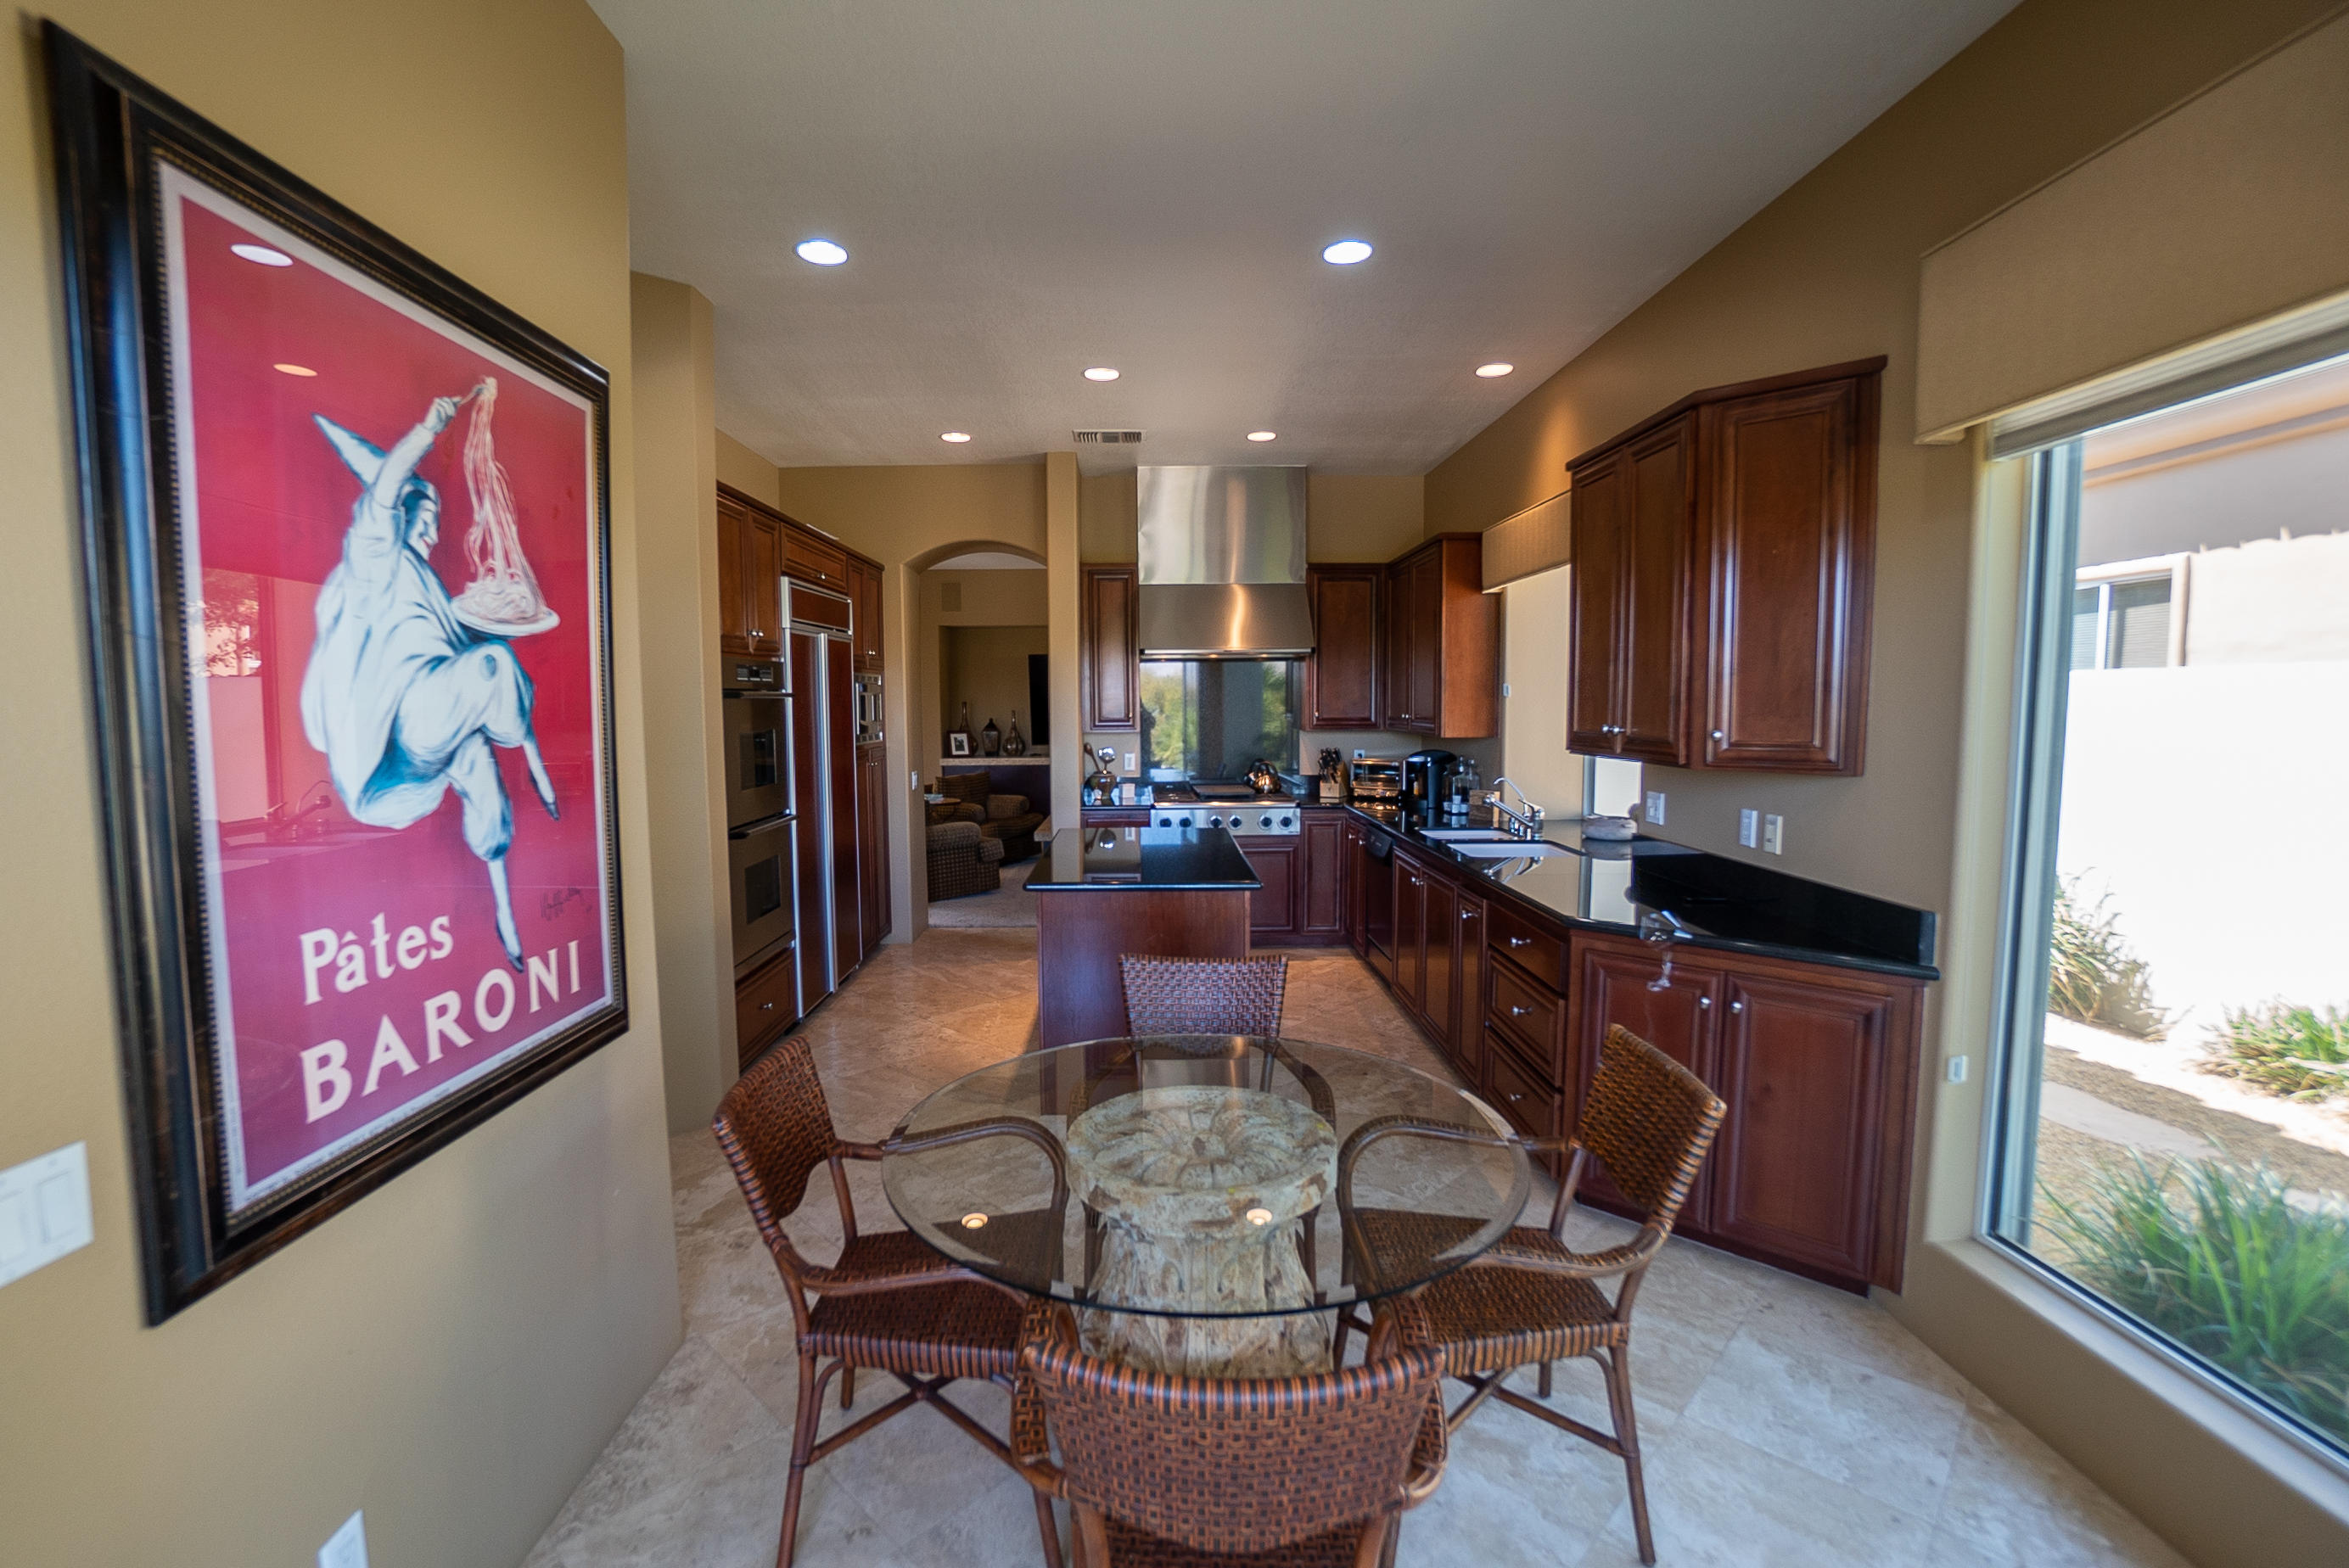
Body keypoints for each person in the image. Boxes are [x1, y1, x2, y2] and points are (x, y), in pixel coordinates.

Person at [301, 390, 558, 969]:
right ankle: (534, 758)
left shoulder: (425, 589)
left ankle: (505, 916)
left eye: (436, 520)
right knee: (489, 667)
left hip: (421, 746)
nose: (433, 530)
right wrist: (425, 430)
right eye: (426, 517)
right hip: (392, 756)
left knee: (480, 767)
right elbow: (384, 494)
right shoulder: (374, 566)